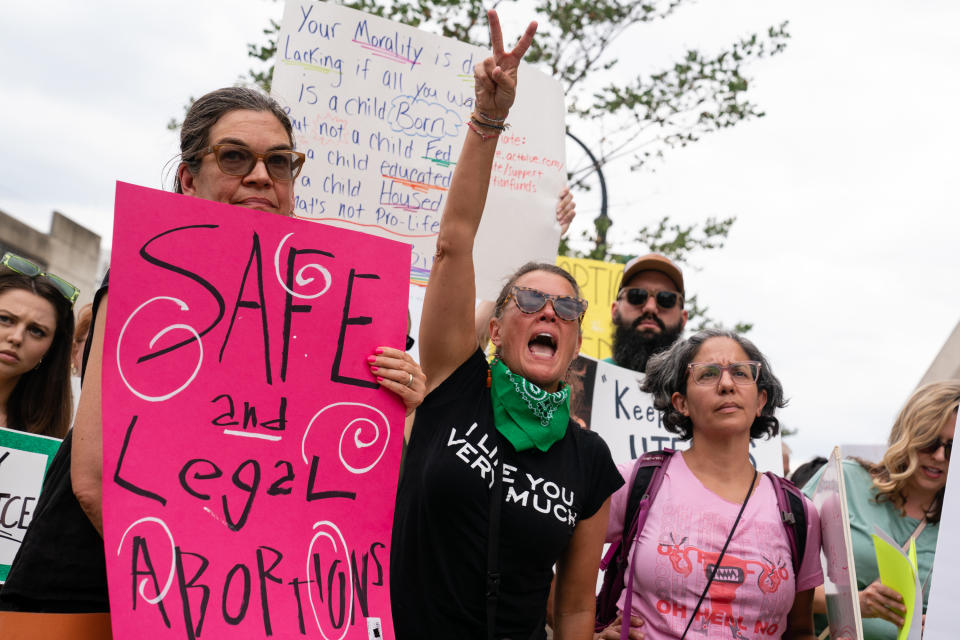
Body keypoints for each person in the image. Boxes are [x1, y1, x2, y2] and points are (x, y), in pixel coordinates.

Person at [0, 87, 425, 624]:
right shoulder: (144, 276)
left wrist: (395, 407)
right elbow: (94, 480)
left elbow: (337, 485)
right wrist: (197, 595)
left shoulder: (337, 306)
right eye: (233, 157)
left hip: (240, 601)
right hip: (98, 593)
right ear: (187, 178)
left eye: (279, 162)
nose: (260, 176)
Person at [390, 11, 623, 639]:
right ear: (495, 327)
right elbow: (455, 242)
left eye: (567, 308)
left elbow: (574, 607)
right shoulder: (452, 385)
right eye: (527, 299)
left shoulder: (589, 460)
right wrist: (489, 118)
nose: (550, 312)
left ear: (576, 342)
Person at [600, 329, 822, 640]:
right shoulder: (637, 482)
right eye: (707, 374)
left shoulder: (799, 513)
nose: (727, 384)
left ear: (761, 401)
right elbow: (543, 552)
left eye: (742, 373)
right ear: (681, 403)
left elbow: (800, 631)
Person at [801, 381, 959, 640]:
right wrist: (857, 602)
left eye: (952, 448)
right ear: (908, 435)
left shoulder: (953, 525)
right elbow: (780, 578)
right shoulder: (843, 480)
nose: (940, 456)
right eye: (930, 442)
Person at [0, 253, 77, 439]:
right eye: (5, 319)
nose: (16, 338)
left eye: (37, 331)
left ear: (52, 348)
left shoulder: (45, 438)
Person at [606, 253, 688, 373]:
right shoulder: (584, 380)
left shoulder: (696, 388)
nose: (650, 308)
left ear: (683, 319)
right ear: (614, 310)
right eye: (636, 295)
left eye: (666, 298)